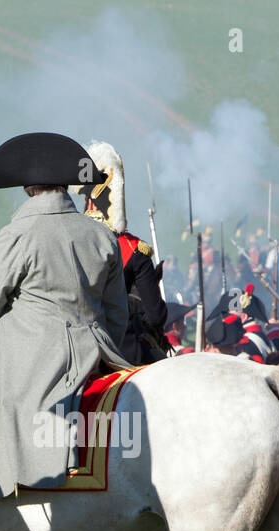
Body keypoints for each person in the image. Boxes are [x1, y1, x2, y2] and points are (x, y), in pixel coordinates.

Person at [0, 132, 130, 531]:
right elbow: (118, 314)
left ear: (29, 188)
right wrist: (101, 347)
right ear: (67, 185)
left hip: (33, 357)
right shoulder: (101, 235)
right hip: (97, 352)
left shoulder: (18, 233)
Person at [74, 140, 168, 364]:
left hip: (74, 349)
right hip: (122, 350)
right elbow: (156, 315)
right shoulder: (133, 249)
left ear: (88, 201)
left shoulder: (67, 240)